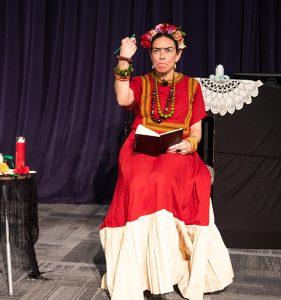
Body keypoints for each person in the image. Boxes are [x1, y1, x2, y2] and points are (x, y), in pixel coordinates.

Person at [99, 23, 234, 300]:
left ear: (178, 54)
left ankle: (170, 270)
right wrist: (124, 58)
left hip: (178, 148)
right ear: (150, 55)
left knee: (168, 175)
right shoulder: (141, 82)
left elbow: (196, 130)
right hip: (141, 147)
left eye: (168, 51)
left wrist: (190, 144)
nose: (162, 56)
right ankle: (140, 273)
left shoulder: (192, 86)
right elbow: (123, 98)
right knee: (139, 179)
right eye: (157, 51)